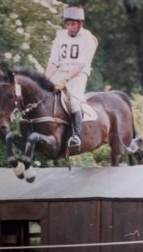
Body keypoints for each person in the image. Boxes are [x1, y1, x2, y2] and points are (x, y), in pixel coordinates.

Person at [44, 5, 98, 148]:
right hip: (60, 71)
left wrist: (65, 80)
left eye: (73, 24)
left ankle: (76, 136)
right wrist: (45, 78)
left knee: (73, 101)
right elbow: (53, 61)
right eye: (67, 24)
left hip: (78, 75)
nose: (70, 27)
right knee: (44, 95)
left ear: (80, 24)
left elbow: (81, 64)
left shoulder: (88, 38)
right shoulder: (60, 36)